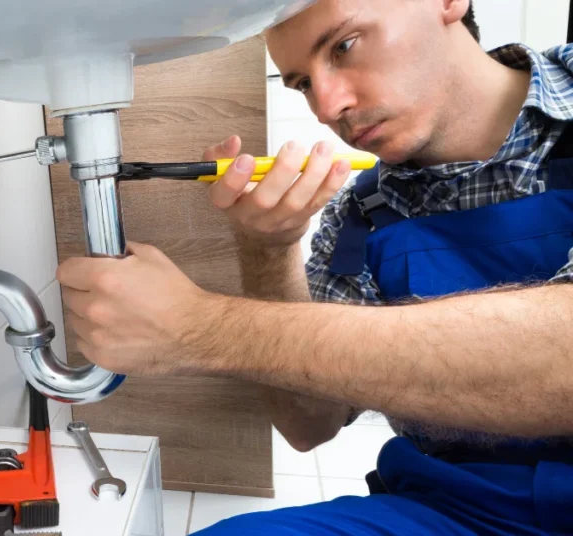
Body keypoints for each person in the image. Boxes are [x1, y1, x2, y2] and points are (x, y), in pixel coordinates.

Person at [55, 0, 573, 533]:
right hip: (450, 511)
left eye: (344, 45)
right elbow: (308, 425)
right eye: (302, 83)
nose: (326, 107)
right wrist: (269, 248)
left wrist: (199, 328)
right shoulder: (360, 215)